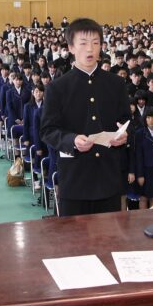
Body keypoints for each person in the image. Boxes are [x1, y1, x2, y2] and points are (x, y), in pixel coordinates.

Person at [40, 18, 131, 216]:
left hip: (108, 177)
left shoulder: (116, 84)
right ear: (71, 47)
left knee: (110, 240)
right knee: (74, 242)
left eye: (96, 43)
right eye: (83, 43)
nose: (90, 49)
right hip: (75, 179)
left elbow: (128, 121)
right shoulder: (58, 88)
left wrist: (124, 135)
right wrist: (71, 140)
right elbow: (48, 130)